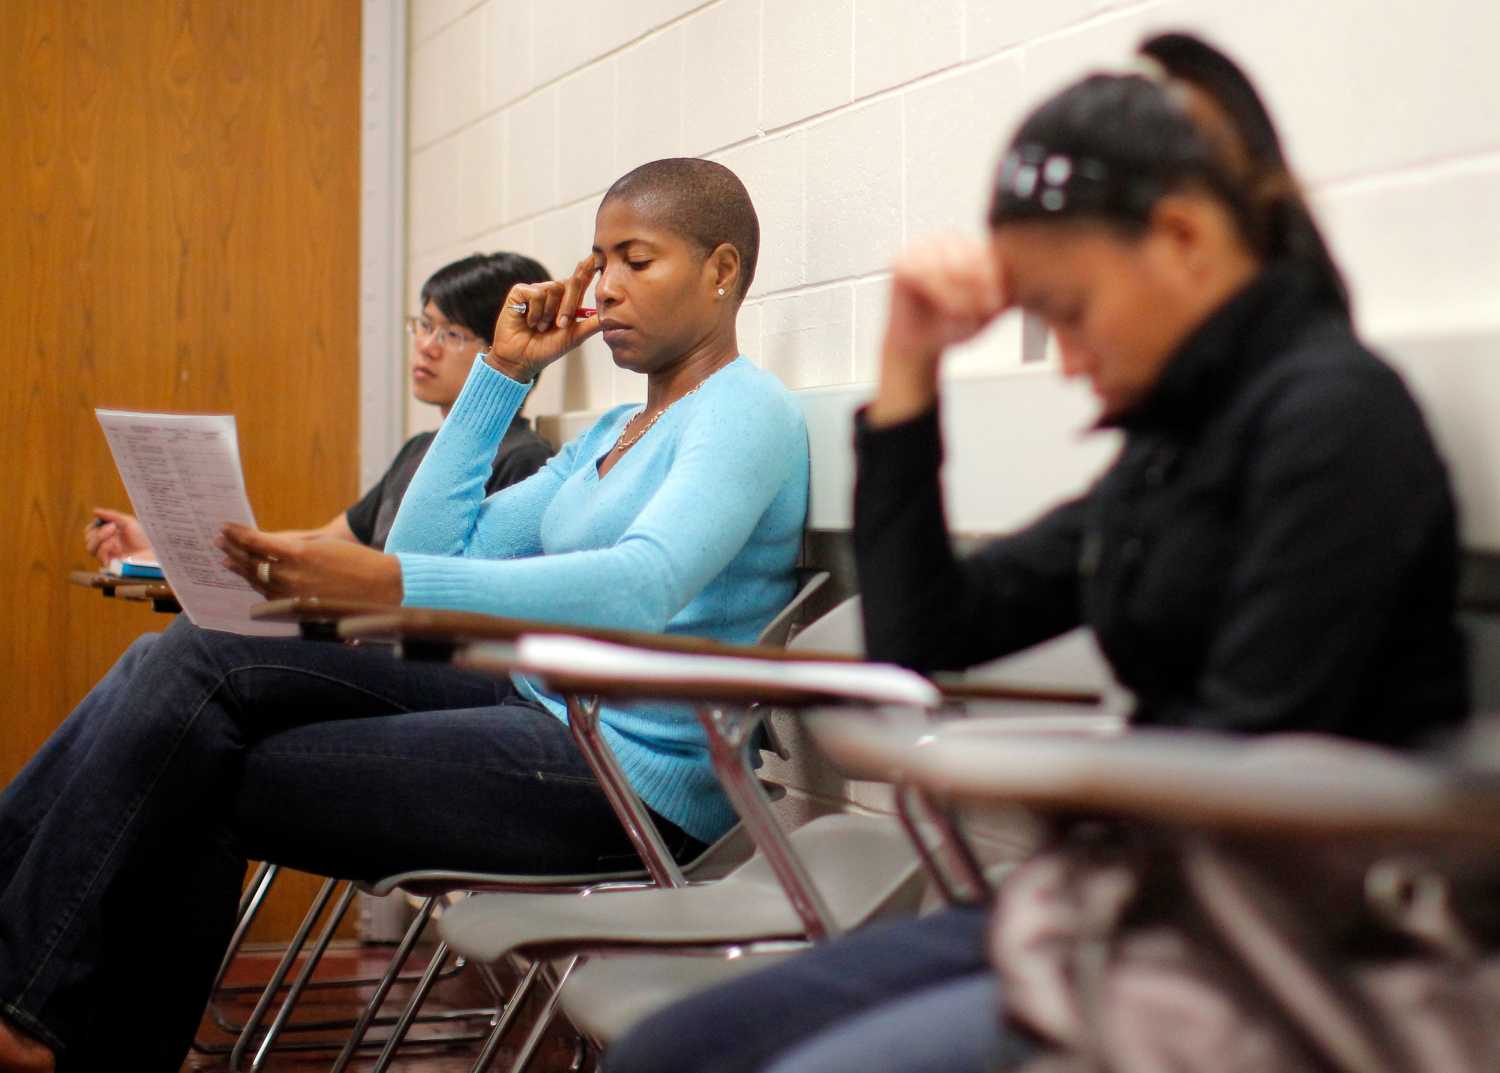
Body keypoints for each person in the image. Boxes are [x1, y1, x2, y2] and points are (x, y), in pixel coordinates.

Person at [604, 32, 1467, 1073]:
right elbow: (924, 634)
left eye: (1072, 310)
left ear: (1186, 236)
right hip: (1141, 903)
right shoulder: (1174, 446)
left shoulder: (1332, 421)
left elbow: (1247, 763)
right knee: (671, 1048)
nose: (1065, 356)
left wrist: (1041, 772)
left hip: (1283, 946)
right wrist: (909, 368)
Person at [0, 157, 808, 1073]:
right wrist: (501, 373)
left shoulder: (748, 412)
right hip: (535, 713)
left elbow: (639, 585)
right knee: (198, 657)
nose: (607, 286)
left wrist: (391, 587)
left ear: (723, 271)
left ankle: (36, 1015)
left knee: (199, 754)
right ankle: (44, 1020)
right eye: (599, 259)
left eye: (637, 259)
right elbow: (424, 545)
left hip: (617, 782)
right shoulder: (609, 435)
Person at [83, 251, 556, 565]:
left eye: (451, 334)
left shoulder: (524, 458)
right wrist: (165, 550)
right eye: (425, 326)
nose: (427, 347)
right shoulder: (420, 448)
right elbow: (322, 543)